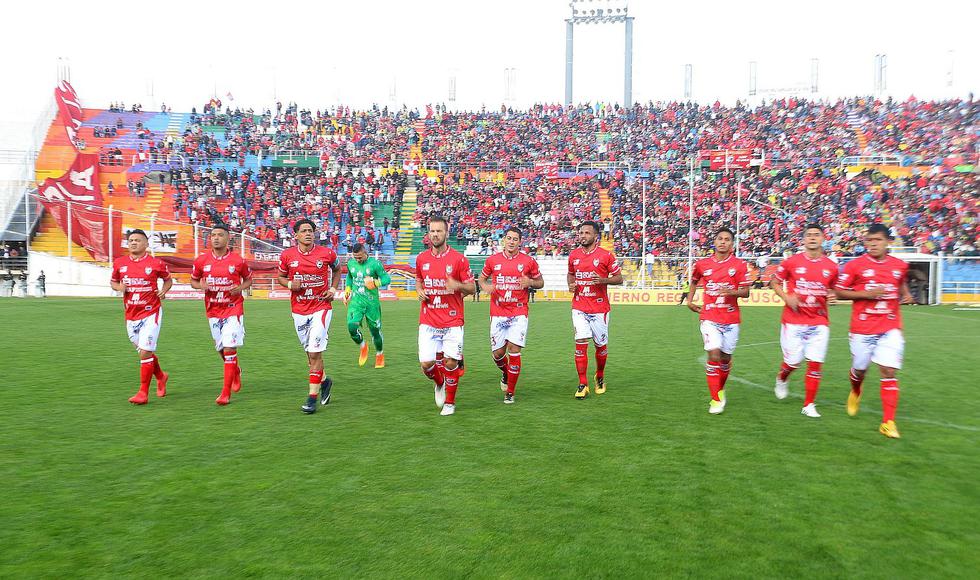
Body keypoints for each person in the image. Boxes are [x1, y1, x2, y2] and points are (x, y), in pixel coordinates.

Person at [834, 224, 914, 439]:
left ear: (888, 242)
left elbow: (900, 281)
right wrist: (866, 294)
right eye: (869, 240)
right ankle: (856, 390)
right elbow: (839, 292)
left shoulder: (899, 265)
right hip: (862, 328)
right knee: (859, 370)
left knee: (888, 371)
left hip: (890, 326)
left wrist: (906, 294)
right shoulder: (854, 265)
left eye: (877, 240)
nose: (873, 244)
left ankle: (888, 423)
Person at [769, 224, 839, 418]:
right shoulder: (792, 262)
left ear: (823, 238)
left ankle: (809, 405)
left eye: (816, 235)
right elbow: (774, 282)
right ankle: (782, 378)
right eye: (809, 235)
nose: (812, 238)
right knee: (793, 363)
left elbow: (834, 289)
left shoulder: (831, 266)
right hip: (794, 320)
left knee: (815, 363)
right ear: (804, 239)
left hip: (819, 320)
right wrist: (786, 297)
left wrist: (834, 296)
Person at [277, 218, 341, 414]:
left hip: (321, 306)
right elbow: (280, 277)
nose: (308, 234)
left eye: (310, 231)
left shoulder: (327, 253)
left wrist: (333, 289)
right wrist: (290, 284)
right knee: (310, 355)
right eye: (304, 231)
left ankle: (312, 398)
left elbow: (337, 269)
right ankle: (325, 381)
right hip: (299, 309)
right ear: (296, 235)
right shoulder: (287, 255)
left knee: (314, 352)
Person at [415, 216, 475, 416]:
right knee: (426, 364)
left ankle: (450, 403)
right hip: (429, 319)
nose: (435, 234)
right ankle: (439, 382)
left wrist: (457, 285)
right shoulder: (422, 258)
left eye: (439, 231)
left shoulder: (459, 259)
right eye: (432, 231)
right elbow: (419, 279)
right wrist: (419, 290)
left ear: (446, 233)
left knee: (451, 362)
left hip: (452, 319)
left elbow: (472, 288)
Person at [687, 228, 751, 414]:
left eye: (727, 239)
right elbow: (694, 280)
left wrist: (732, 292)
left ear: (732, 243)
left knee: (725, 358)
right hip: (710, 316)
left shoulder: (739, 265)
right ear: (714, 242)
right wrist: (690, 300)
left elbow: (746, 292)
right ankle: (715, 400)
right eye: (720, 239)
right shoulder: (702, 264)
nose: (723, 242)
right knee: (714, 355)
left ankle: (720, 390)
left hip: (731, 318)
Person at [478, 227, 544, 404]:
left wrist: (530, 282)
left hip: (518, 312)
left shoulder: (528, 261)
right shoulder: (492, 260)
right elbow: (481, 279)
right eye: (509, 238)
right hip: (498, 312)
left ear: (520, 242)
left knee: (514, 350)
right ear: (504, 240)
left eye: (515, 239)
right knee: (498, 354)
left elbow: (540, 282)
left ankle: (510, 392)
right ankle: (506, 373)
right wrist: (486, 287)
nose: (511, 241)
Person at [190, 224, 253, 405]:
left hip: (233, 308)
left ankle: (225, 393)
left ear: (228, 238)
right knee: (220, 348)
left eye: (220, 235)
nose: (216, 238)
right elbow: (193, 281)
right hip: (213, 310)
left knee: (229, 348)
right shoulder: (201, 261)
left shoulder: (238, 261)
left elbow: (248, 280)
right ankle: (235, 371)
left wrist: (240, 288)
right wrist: (201, 286)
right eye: (213, 235)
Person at [109, 229, 173, 405]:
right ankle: (161, 376)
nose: (133, 243)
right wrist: (119, 287)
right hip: (131, 314)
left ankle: (143, 393)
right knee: (145, 351)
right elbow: (113, 281)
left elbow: (168, 280)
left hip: (151, 311)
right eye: (131, 240)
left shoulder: (156, 263)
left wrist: (163, 291)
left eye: (137, 240)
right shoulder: (120, 263)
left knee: (145, 351)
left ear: (146, 244)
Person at [567, 220, 623, 399]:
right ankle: (582, 384)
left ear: (596, 236)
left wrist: (603, 280)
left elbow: (619, 278)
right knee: (580, 341)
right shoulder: (574, 255)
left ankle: (599, 376)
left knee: (601, 346)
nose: (583, 236)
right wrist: (571, 285)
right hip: (579, 306)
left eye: (587, 233)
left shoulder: (606, 255)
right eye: (581, 233)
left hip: (599, 308)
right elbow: (571, 274)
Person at [342, 243, 391, 368]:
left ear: (365, 253)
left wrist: (375, 282)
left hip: (371, 304)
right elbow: (350, 276)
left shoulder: (375, 264)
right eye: (355, 257)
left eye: (360, 257)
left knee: (375, 331)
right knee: (351, 327)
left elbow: (387, 279)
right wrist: (347, 289)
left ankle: (379, 354)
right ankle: (363, 346)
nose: (357, 260)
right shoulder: (351, 263)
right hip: (356, 302)